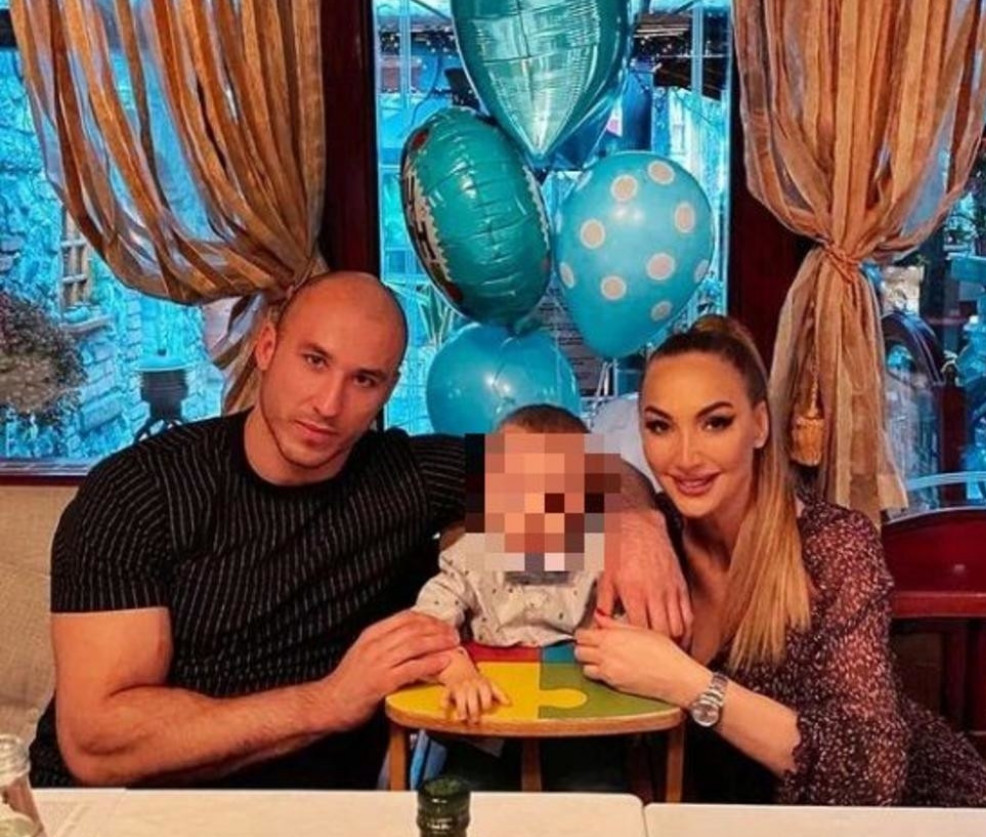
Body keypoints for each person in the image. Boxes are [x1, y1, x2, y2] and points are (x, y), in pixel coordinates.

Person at [30, 271, 688, 789]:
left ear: (388, 390)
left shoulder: (404, 476)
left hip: (328, 815)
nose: (329, 404)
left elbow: (582, 470)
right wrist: (327, 702)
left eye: (363, 380)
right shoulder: (137, 491)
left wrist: (638, 525)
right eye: (314, 361)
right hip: (127, 811)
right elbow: (96, 743)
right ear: (266, 348)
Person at [575, 315, 986, 807]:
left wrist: (690, 684)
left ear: (759, 425)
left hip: (921, 819)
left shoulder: (833, 545)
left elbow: (872, 779)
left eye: (716, 423)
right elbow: (531, 460)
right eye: (660, 426)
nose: (686, 456)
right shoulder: (658, 536)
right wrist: (634, 516)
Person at [413, 404, 627, 791]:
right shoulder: (472, 557)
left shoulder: (599, 561)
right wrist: (458, 674)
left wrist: (615, 642)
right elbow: (426, 622)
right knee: (465, 793)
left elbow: (631, 630)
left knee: (597, 795)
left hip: (580, 725)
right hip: (487, 723)